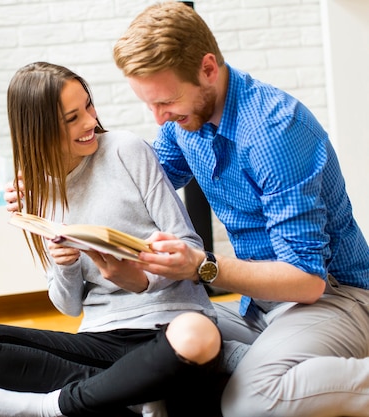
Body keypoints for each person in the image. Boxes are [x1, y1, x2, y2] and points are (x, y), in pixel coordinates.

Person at [107, 2, 369, 417]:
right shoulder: (186, 123)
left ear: (208, 68)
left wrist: (202, 266)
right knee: (152, 349)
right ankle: (287, 371)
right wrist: (53, 187)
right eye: (150, 106)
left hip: (336, 299)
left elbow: (307, 281)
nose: (159, 120)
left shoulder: (275, 132)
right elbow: (139, 186)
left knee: (251, 403)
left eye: (167, 101)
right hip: (260, 306)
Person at [0, 61, 225, 417]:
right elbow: (69, 306)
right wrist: (66, 266)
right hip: (101, 338)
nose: (90, 122)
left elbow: (189, 245)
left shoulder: (126, 150)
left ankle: (53, 406)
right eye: (72, 119)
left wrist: (141, 280)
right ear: (39, 131)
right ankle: (129, 390)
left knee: (197, 334)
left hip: (169, 326)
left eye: (88, 106)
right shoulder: (37, 192)